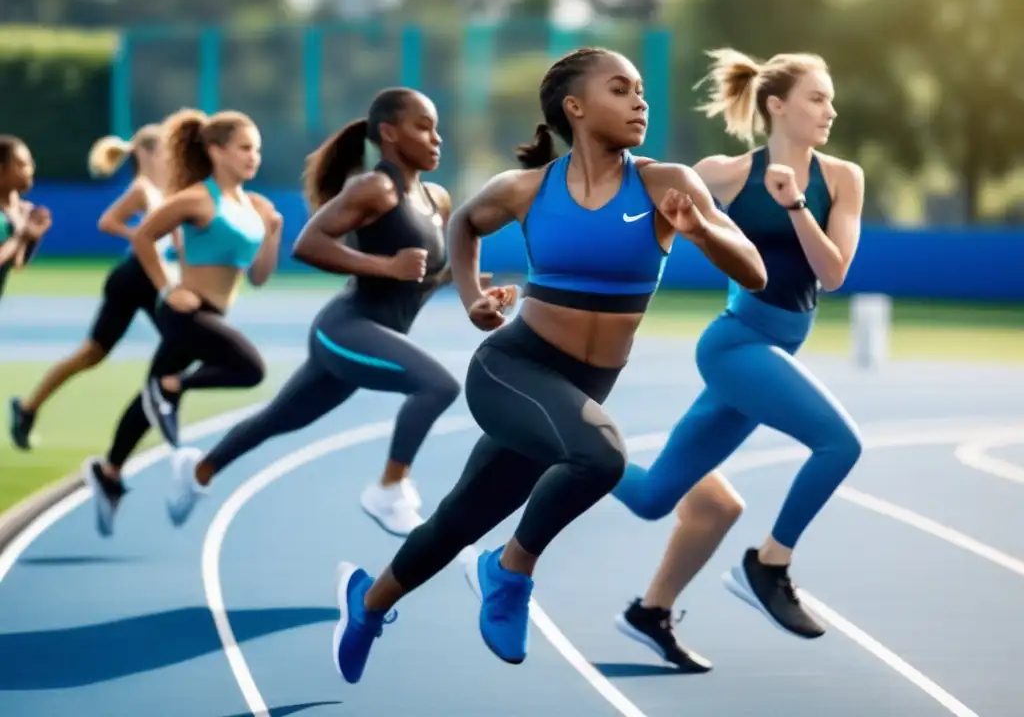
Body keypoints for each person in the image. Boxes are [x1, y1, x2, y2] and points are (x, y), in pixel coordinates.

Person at [330, 46, 769, 685]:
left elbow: (753, 271)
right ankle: (510, 573)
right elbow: (463, 223)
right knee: (603, 457)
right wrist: (475, 296)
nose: (639, 101)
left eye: (641, 89)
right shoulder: (527, 189)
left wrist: (702, 231)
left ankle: (366, 606)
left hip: (579, 388)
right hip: (514, 369)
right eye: (621, 90)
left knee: (457, 519)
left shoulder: (666, 184)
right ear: (576, 107)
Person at [612, 48, 865, 665]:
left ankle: (647, 606)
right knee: (841, 444)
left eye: (830, 99)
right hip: (736, 345)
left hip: (771, 351)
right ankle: (769, 565)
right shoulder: (722, 174)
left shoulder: (841, 179)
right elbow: (639, 216)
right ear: (777, 105)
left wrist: (794, 204)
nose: (830, 109)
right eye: (817, 98)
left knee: (650, 499)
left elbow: (832, 273)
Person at [163, 88, 465, 537]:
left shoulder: (436, 199)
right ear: (389, 133)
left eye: (436, 128)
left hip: (372, 335)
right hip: (345, 329)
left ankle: (197, 471)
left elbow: (425, 275)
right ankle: (389, 488)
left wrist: (479, 295)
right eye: (423, 127)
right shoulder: (375, 188)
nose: (436, 138)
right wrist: (384, 266)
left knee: (278, 419)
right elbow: (309, 244)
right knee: (438, 386)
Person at [83, 108, 283, 537]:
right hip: (185, 314)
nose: (254, 157)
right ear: (215, 151)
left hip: (211, 315)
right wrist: (166, 288)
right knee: (251, 370)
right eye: (245, 148)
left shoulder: (255, 206)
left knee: (148, 399)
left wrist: (273, 233)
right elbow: (142, 236)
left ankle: (110, 473)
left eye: (258, 149)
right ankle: (172, 389)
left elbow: (260, 277)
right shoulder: (197, 198)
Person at [9, 125, 178, 450]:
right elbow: (107, 221)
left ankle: (28, 409)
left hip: (146, 277)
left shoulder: (162, 190)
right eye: (164, 154)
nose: (169, 160)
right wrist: (141, 238)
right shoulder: (142, 189)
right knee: (181, 343)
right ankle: (164, 416)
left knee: (92, 354)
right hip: (134, 278)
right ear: (145, 154)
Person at [0, 135, 50, 310]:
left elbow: (17, 262)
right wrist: (21, 234)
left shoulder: (21, 211)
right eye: (21, 164)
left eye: (30, 163)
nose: (29, 170)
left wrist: (33, 236)